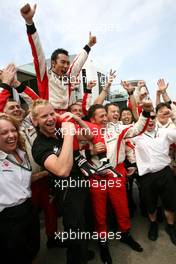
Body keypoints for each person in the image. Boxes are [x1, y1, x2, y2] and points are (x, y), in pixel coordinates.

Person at [31, 99, 94, 264]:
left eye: (52, 113)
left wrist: (77, 119)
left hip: (81, 184)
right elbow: (62, 170)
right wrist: (68, 135)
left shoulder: (60, 130)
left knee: (83, 224)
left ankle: (82, 252)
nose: (51, 118)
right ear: (35, 121)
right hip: (67, 192)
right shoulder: (39, 146)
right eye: (44, 116)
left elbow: (89, 136)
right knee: (75, 230)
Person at [20, 3, 96, 113]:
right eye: (62, 62)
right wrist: (29, 23)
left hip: (66, 117)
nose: (66, 66)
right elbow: (38, 53)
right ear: (53, 63)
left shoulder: (68, 77)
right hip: (48, 116)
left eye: (67, 63)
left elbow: (78, 63)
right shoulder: (45, 75)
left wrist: (88, 46)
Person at [132, 113, 176, 245]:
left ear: (156, 118)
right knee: (150, 204)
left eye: (153, 117)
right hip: (147, 176)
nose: (150, 121)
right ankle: (153, 225)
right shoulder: (136, 134)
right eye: (147, 118)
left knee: (170, 202)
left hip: (165, 173)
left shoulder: (165, 132)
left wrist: (173, 117)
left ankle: (171, 227)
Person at [0, 115, 36, 264]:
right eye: (3, 133)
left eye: (13, 130)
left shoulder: (21, 153)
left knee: (32, 250)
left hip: (28, 209)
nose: (11, 135)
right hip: (8, 220)